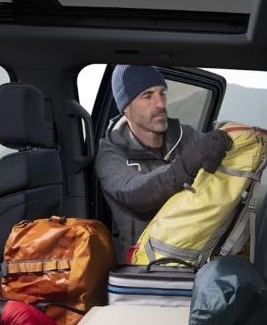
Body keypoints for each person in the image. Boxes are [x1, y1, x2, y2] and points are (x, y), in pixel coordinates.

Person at [95, 64, 233, 252]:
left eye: (162, 93)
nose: (160, 104)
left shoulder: (188, 137)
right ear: (126, 108)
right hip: (142, 264)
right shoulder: (111, 153)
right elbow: (134, 193)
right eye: (148, 96)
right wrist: (185, 165)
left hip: (196, 252)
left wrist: (230, 142)